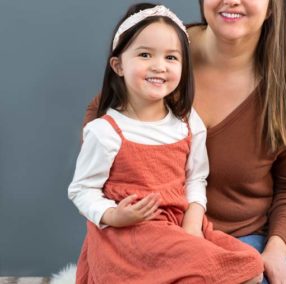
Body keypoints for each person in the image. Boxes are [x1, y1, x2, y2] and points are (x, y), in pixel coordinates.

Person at [83, 1, 286, 283]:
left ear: (274, 6)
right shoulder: (164, 47)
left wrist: (276, 250)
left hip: (235, 237)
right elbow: (103, 111)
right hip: (143, 232)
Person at [68, 3, 265, 284]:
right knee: (206, 274)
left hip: (180, 224)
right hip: (131, 234)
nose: (159, 66)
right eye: (145, 54)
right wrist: (113, 215)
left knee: (250, 267)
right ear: (119, 65)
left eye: (171, 58)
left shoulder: (187, 123)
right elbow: (82, 189)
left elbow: (196, 178)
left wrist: (193, 225)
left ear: (183, 68)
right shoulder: (105, 131)